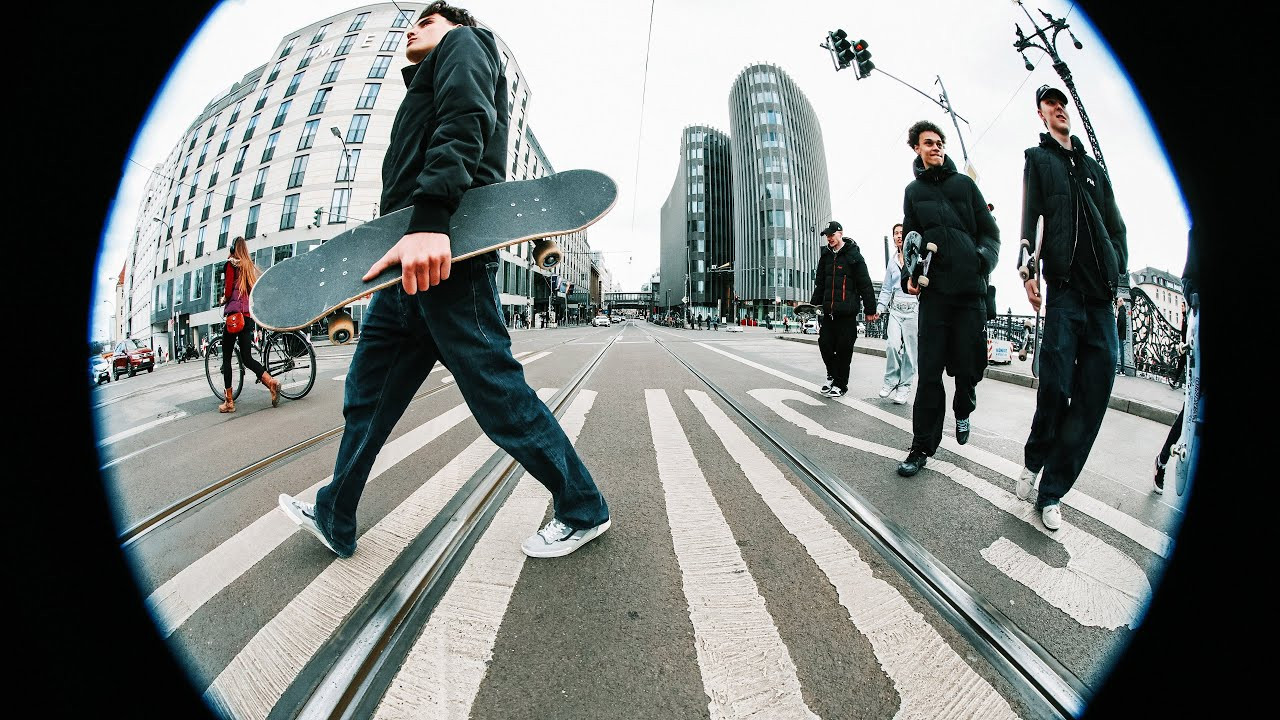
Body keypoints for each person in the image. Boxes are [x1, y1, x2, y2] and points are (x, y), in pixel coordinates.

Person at [277, 2, 609, 559]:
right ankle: (336, 511)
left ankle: (583, 507)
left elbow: (466, 120)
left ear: (455, 26)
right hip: (404, 268)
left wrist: (431, 220)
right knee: (368, 397)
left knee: (498, 397)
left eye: (425, 21)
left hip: (446, 257)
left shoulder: (468, 46)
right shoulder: (422, 83)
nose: (412, 28)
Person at [1014, 86, 1128, 530]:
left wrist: (1117, 276)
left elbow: (1117, 227)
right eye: (1050, 104)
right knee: (1055, 387)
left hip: (1101, 300)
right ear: (1041, 115)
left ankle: (1052, 491)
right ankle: (1034, 457)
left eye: (1062, 103)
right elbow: (1031, 218)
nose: (1059, 108)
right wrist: (1029, 274)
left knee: (1093, 395)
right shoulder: (1038, 159)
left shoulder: (1093, 169)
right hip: (1064, 293)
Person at [896, 121, 1000, 477]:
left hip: (970, 293)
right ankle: (921, 447)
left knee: (969, 367)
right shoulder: (912, 191)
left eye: (940, 142)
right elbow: (911, 238)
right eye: (929, 143)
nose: (937, 147)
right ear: (917, 149)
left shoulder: (965, 185)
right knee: (928, 374)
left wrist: (980, 259)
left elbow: (991, 233)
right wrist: (912, 274)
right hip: (936, 294)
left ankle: (964, 407)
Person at [810, 220, 878, 398]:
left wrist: (870, 309)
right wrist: (811, 306)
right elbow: (820, 284)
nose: (829, 239)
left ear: (840, 233)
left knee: (843, 350)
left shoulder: (853, 255)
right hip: (828, 312)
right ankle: (832, 375)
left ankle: (840, 384)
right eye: (827, 236)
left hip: (847, 314)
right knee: (824, 344)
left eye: (832, 235)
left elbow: (865, 284)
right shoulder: (825, 256)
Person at [216, 236, 281, 412]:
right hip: (247, 317)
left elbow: (229, 291)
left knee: (227, 358)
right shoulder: (248, 267)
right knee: (247, 357)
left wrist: (223, 299)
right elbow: (252, 292)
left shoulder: (231, 265)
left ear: (232, 249)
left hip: (234, 317)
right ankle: (271, 382)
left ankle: (229, 402)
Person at [876, 223, 919, 405]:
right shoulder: (892, 261)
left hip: (913, 308)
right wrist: (879, 308)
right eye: (896, 233)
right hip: (895, 308)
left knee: (910, 351)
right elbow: (886, 288)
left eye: (902, 233)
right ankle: (891, 380)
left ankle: (905, 386)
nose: (899, 236)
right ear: (893, 238)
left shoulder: (917, 257)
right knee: (892, 345)